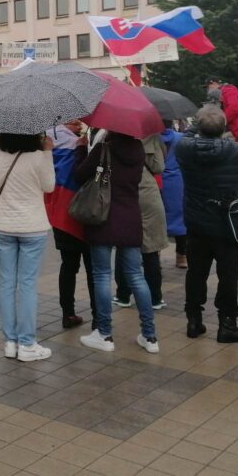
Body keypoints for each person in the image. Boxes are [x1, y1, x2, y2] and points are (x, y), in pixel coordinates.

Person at [176, 105, 238, 343]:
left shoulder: (184, 148)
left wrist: (200, 120)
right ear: (224, 127)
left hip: (197, 222)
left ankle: (194, 321)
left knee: (196, 273)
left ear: (198, 126)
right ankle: (227, 324)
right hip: (227, 224)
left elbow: (189, 134)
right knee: (229, 275)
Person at [76, 130, 159, 354]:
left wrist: (81, 149)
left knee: (102, 274)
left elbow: (80, 175)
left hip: (103, 217)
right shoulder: (138, 150)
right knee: (136, 275)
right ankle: (150, 336)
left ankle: (104, 334)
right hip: (131, 218)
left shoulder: (104, 149)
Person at [0, 132, 56, 362]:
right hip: (33, 227)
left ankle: (10, 342)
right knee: (27, 285)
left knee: (6, 283)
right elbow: (50, 186)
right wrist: (48, 152)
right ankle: (27, 343)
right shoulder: (38, 156)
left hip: (3, 226)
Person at [46, 122, 93, 330]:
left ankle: (68, 313)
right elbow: (92, 176)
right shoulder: (84, 146)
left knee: (68, 266)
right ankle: (99, 318)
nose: (78, 123)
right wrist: (83, 147)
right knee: (94, 269)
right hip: (86, 214)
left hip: (60, 214)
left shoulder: (45, 148)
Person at [113, 134, 168, 310]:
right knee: (150, 248)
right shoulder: (150, 137)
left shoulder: (109, 139)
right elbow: (159, 167)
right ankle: (155, 298)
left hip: (122, 194)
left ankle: (123, 295)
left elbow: (100, 171)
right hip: (147, 194)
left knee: (124, 246)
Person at [161, 121, 188, 269]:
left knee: (156, 218)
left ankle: (154, 253)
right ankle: (181, 256)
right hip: (177, 182)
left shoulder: (152, 138)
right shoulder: (180, 137)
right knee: (180, 218)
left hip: (157, 180)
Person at [205, 77, 238, 149]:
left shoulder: (229, 90)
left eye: (208, 86)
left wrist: (221, 122)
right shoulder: (220, 95)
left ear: (214, 83)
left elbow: (233, 107)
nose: (207, 89)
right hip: (236, 133)